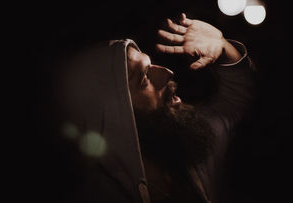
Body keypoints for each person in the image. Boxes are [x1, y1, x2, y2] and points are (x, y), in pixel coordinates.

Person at [48, 13, 256, 203]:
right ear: (115, 116)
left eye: (151, 65)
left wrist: (222, 47)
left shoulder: (189, 149)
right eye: (144, 78)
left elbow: (239, 98)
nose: (167, 72)